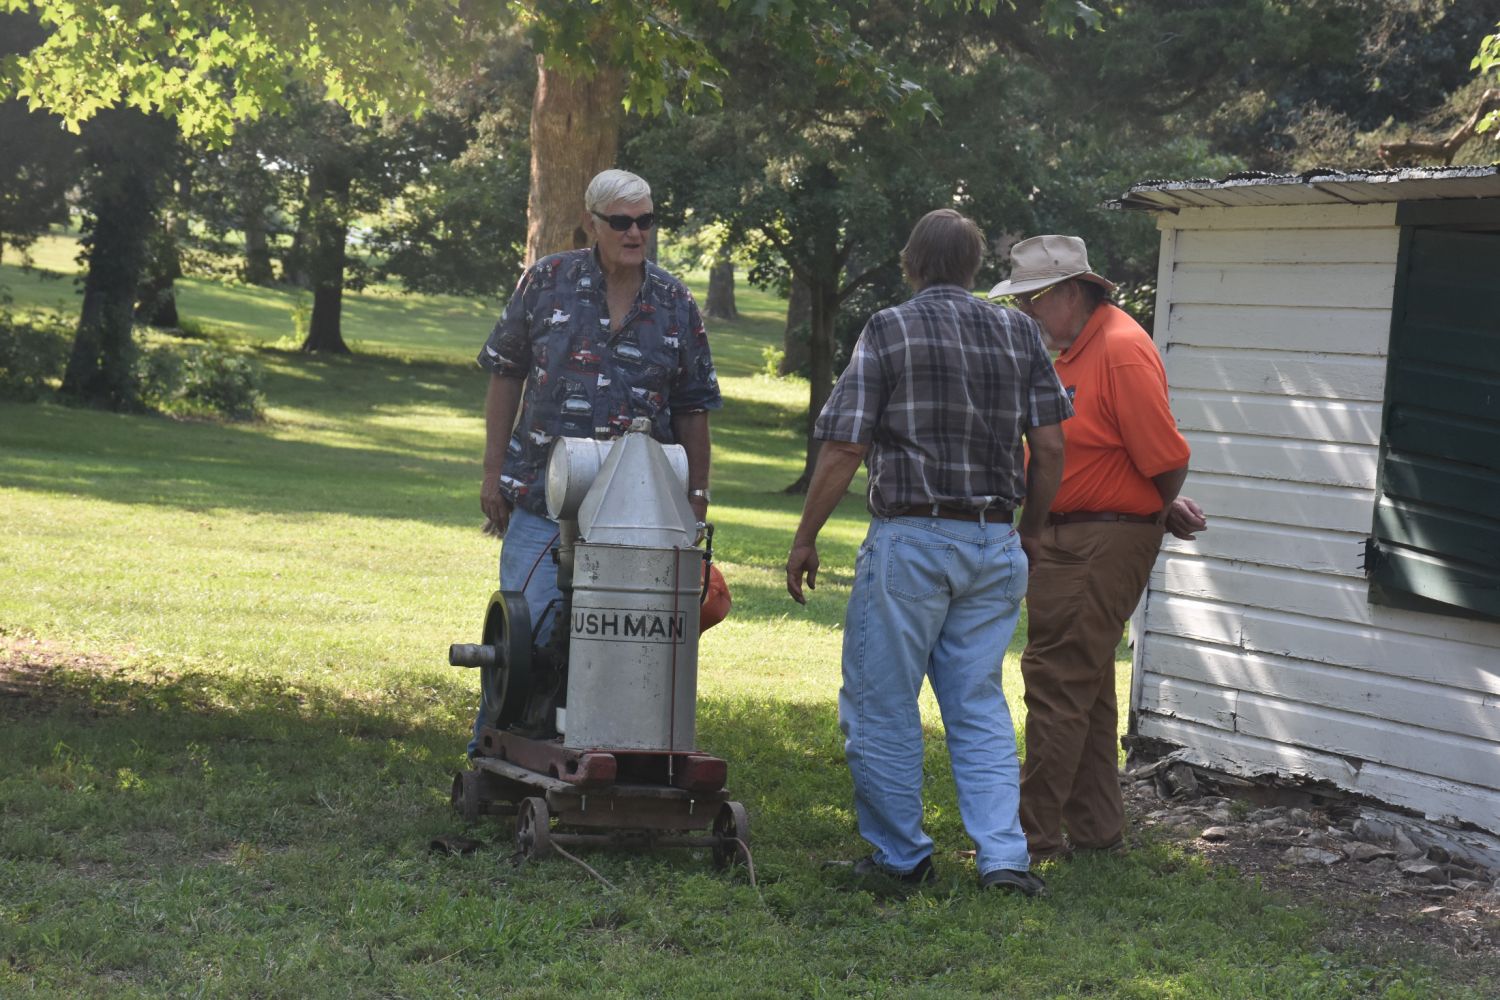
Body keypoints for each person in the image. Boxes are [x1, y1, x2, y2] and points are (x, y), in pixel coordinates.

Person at [786, 209, 1072, 895]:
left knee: (881, 701)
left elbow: (846, 445)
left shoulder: (890, 328)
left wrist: (805, 536)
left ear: (910, 264)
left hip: (913, 538)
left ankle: (901, 856)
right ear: (976, 269)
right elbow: (1051, 446)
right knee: (978, 703)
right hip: (995, 540)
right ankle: (1004, 858)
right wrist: (1030, 529)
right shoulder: (1020, 331)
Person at [471, 168, 721, 754]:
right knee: (524, 635)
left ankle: (614, 757)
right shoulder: (546, 281)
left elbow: (693, 409)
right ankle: (494, 756)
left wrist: (696, 500)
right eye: (622, 222)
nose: (636, 233)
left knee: (626, 639)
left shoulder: (675, 301)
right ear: (592, 222)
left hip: (640, 512)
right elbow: (505, 375)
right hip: (542, 496)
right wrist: (492, 473)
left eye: (645, 221)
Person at [988, 234, 1198, 862]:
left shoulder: (1120, 349)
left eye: (1032, 298)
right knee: (1085, 685)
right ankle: (1097, 831)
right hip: (1074, 533)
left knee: (1055, 681)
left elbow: (1166, 457)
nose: (1024, 311)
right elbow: (1107, 447)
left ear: (1071, 292)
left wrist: (1152, 507)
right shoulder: (1069, 349)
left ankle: (1029, 842)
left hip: (1097, 539)